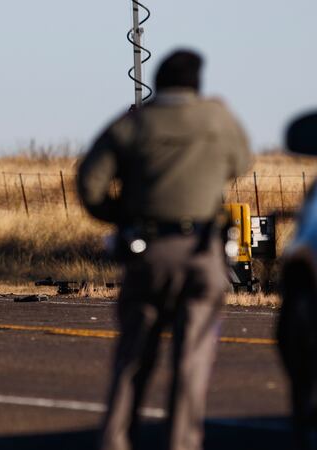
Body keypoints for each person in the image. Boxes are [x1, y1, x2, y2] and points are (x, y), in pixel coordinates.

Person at [77, 49, 252, 450]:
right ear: (197, 83)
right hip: (202, 252)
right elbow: (241, 162)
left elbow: (90, 183)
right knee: (191, 364)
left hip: (148, 252)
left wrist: (121, 216)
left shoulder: (134, 123)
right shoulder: (218, 118)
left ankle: (116, 439)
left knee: (134, 357)